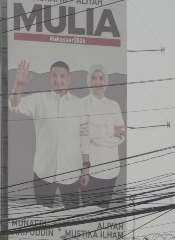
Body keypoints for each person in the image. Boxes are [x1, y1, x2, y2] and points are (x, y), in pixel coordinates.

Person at [10, 58, 90, 209]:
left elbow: (84, 138)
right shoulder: (39, 100)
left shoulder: (80, 105)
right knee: (43, 220)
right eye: (54, 76)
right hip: (43, 172)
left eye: (62, 76)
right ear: (49, 78)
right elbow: (15, 105)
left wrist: (86, 168)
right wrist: (19, 84)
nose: (58, 80)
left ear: (69, 79)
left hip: (71, 173)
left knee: (72, 220)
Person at [83, 65, 126, 209]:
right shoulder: (83, 104)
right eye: (93, 78)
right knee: (87, 215)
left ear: (106, 81)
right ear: (89, 81)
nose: (97, 82)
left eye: (101, 78)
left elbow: (121, 136)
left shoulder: (114, 105)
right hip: (91, 170)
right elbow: (83, 133)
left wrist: (96, 135)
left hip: (111, 169)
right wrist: (110, 131)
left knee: (103, 216)